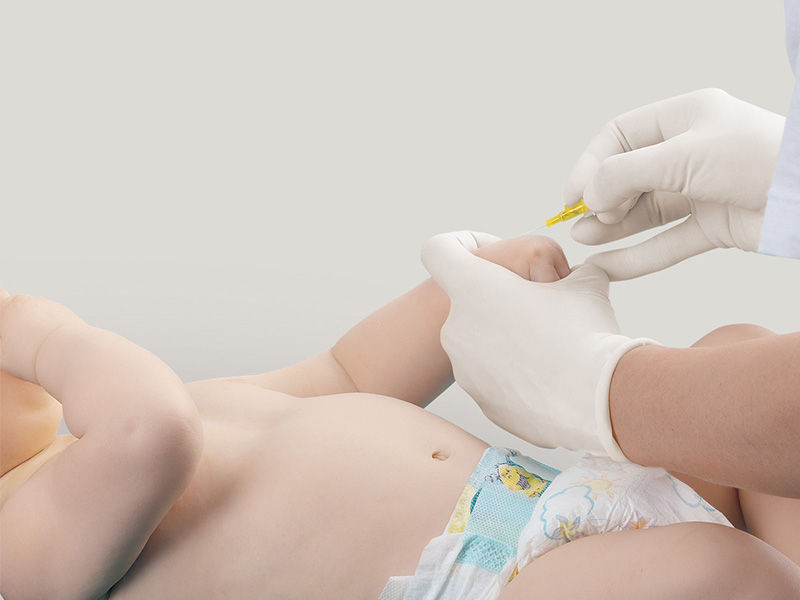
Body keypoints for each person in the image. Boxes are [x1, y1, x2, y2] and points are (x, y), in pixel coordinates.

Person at [2, 235, 798, 600]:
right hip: (490, 585)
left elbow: (347, 373)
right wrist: (45, 334)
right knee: (722, 573)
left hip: (566, 505)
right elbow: (148, 432)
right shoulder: (19, 546)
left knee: (737, 361)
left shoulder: (177, 409)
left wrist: (468, 292)